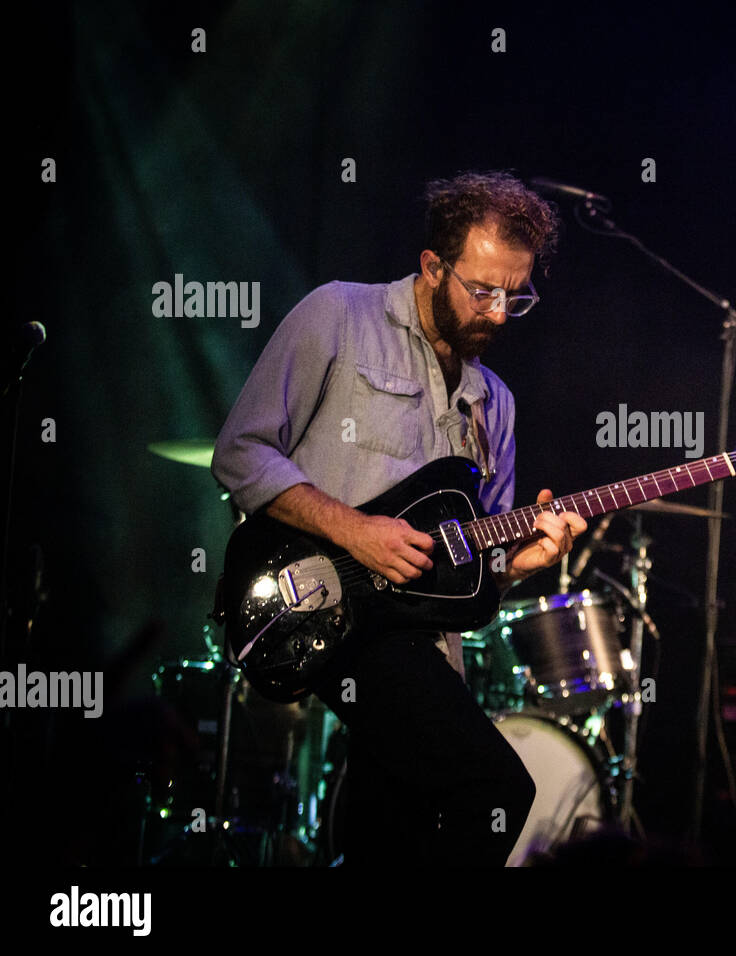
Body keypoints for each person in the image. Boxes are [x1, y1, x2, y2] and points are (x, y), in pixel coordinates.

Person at [211, 171, 587, 865]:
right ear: (432, 266)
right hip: (318, 604)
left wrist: (519, 563)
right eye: (482, 291)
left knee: (392, 838)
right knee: (495, 789)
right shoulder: (339, 316)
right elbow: (240, 453)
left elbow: (473, 567)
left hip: (420, 644)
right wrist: (353, 529)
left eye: (517, 295)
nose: (499, 312)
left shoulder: (493, 402)